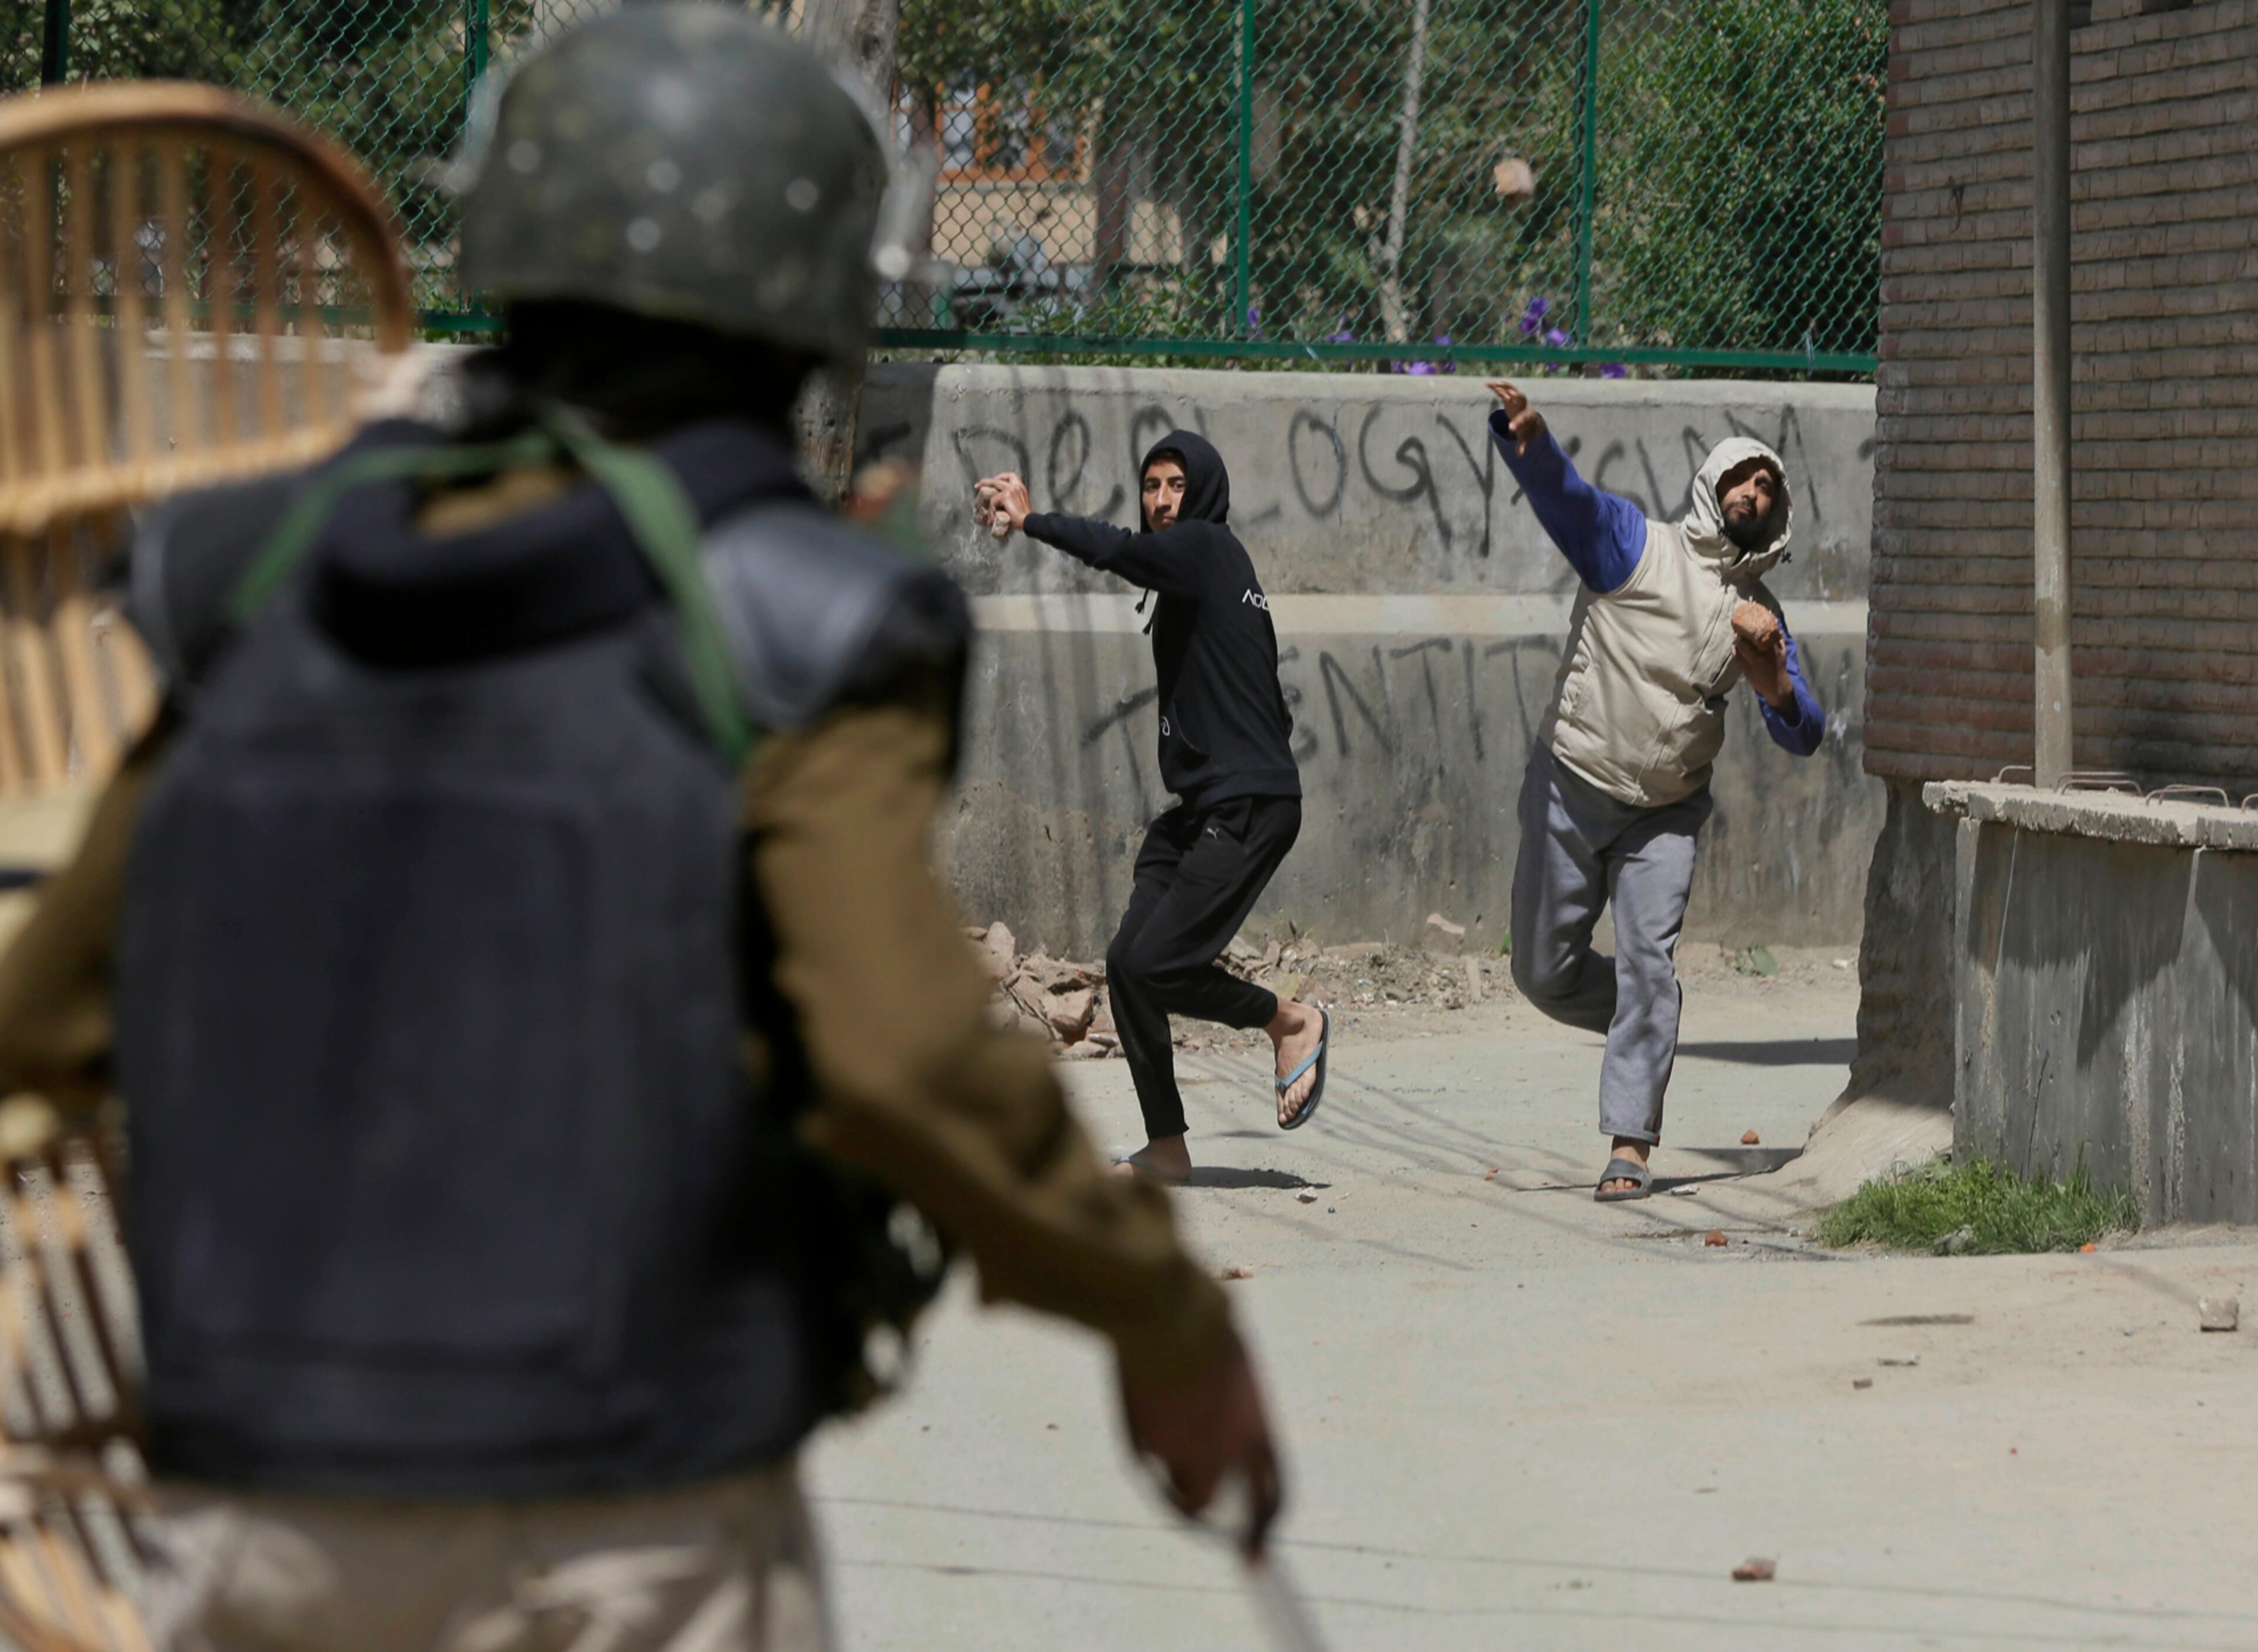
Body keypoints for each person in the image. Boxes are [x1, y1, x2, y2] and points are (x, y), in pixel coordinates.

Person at [0, 11, 1280, 1647]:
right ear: (819, 297)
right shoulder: (816, 624)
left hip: (267, 1505)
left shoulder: (252, 570)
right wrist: (1163, 1319)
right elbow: (899, 1062)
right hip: (629, 1518)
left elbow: (45, 1022)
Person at [1485, 379, 1826, 1202]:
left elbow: (1805, 728)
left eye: (1768, 486)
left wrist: (1773, 680)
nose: (1754, 492)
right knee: (1541, 970)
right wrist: (1530, 445)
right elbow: (1570, 504)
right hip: (1573, 784)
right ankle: (1644, 1021)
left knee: (1650, 963)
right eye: (1743, 478)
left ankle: (1630, 1143)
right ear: (1712, 485)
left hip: (1666, 814)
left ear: (1775, 513)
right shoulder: (1636, 546)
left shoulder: (1762, 611)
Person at [973, 438, 1325, 1186]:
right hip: (1200, 808)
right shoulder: (1204, 572)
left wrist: (1033, 519)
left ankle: (1289, 1020)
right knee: (1130, 966)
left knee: (1160, 963)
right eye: (1151, 487)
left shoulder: (1206, 548)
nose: (1162, 500)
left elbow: (1118, 552)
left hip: (1248, 804)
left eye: (1175, 486)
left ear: (1202, 494)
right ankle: (1167, 1144)